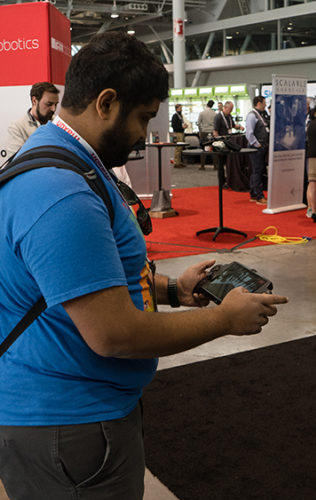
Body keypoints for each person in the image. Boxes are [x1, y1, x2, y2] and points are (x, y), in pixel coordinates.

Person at [0, 32, 287, 500]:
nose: (145, 134)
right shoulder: (62, 191)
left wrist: (173, 290)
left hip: (69, 414)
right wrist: (224, 319)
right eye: (143, 117)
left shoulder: (67, 162)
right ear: (106, 103)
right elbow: (114, 334)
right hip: (69, 423)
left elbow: (81, 278)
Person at [6, 81, 59, 158]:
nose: (53, 109)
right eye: (49, 104)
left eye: (56, 104)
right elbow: (17, 161)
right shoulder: (17, 128)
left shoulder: (58, 123)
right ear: (34, 101)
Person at [245, 95, 270, 205]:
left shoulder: (260, 115)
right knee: (257, 172)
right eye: (264, 103)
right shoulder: (252, 115)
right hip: (256, 148)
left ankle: (254, 194)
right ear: (259, 103)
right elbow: (249, 133)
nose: (265, 105)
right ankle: (259, 196)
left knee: (256, 171)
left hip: (260, 146)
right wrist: (257, 144)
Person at [213, 101, 244, 184]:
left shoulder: (229, 116)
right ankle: (222, 182)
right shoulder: (218, 117)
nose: (231, 111)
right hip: (222, 142)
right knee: (221, 164)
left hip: (230, 141)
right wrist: (218, 143)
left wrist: (239, 127)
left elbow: (232, 125)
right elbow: (215, 132)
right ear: (225, 108)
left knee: (229, 162)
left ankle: (229, 180)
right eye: (230, 109)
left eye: (232, 109)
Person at [197, 99, 216, 170]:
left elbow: (198, 123)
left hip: (204, 132)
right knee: (213, 148)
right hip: (212, 132)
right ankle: (215, 166)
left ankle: (202, 165)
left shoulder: (202, 113)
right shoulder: (215, 113)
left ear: (207, 104)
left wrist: (200, 131)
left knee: (203, 149)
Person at [171, 103, 187, 168]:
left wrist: (184, 126)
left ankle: (179, 162)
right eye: (180, 108)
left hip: (181, 132)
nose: (181, 109)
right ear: (177, 109)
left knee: (180, 148)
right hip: (177, 133)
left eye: (181, 108)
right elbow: (174, 126)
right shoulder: (175, 116)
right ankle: (176, 163)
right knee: (178, 148)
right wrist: (181, 127)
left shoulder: (180, 116)